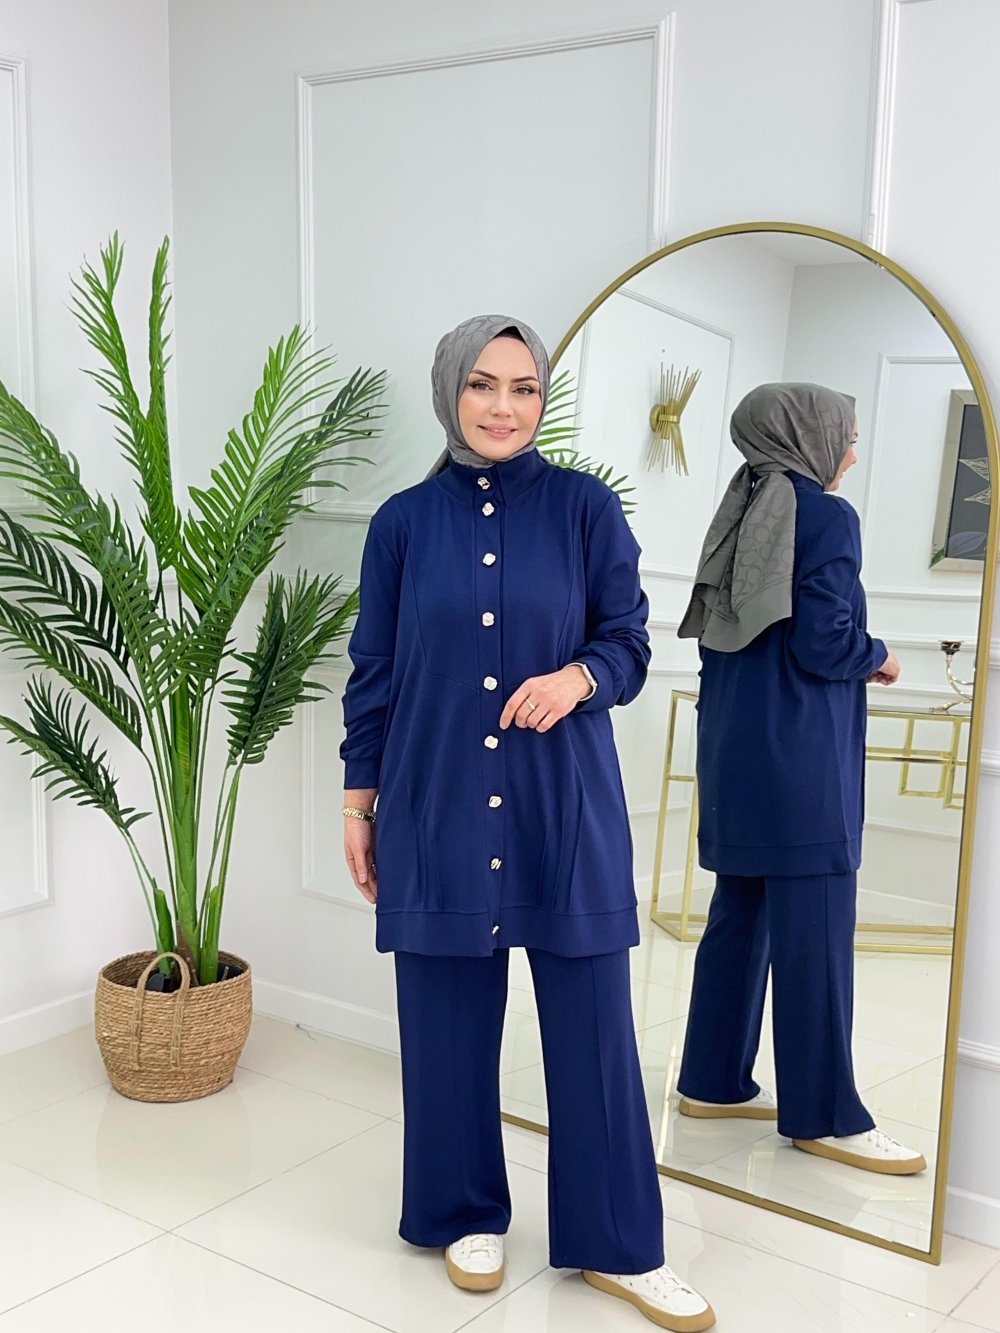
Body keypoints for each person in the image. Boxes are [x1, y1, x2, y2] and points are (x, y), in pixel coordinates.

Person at [340, 314, 716, 1332]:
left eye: (524, 388)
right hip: (435, 799)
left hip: (565, 804)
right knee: (445, 1019)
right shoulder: (402, 524)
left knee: (595, 1030)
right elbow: (373, 672)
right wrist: (359, 800)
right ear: (449, 391)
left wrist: (578, 677)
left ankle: (621, 1245)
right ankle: (462, 1210)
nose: (503, 407)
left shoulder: (586, 509)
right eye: (482, 384)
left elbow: (628, 641)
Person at [675, 382, 926, 1175]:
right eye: (845, 434)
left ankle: (712, 1081)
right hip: (801, 763)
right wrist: (878, 655)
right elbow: (824, 641)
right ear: (808, 436)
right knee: (815, 933)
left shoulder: (744, 505)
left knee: (740, 915)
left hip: (733, 753)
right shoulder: (824, 515)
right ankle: (826, 1115)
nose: (850, 450)